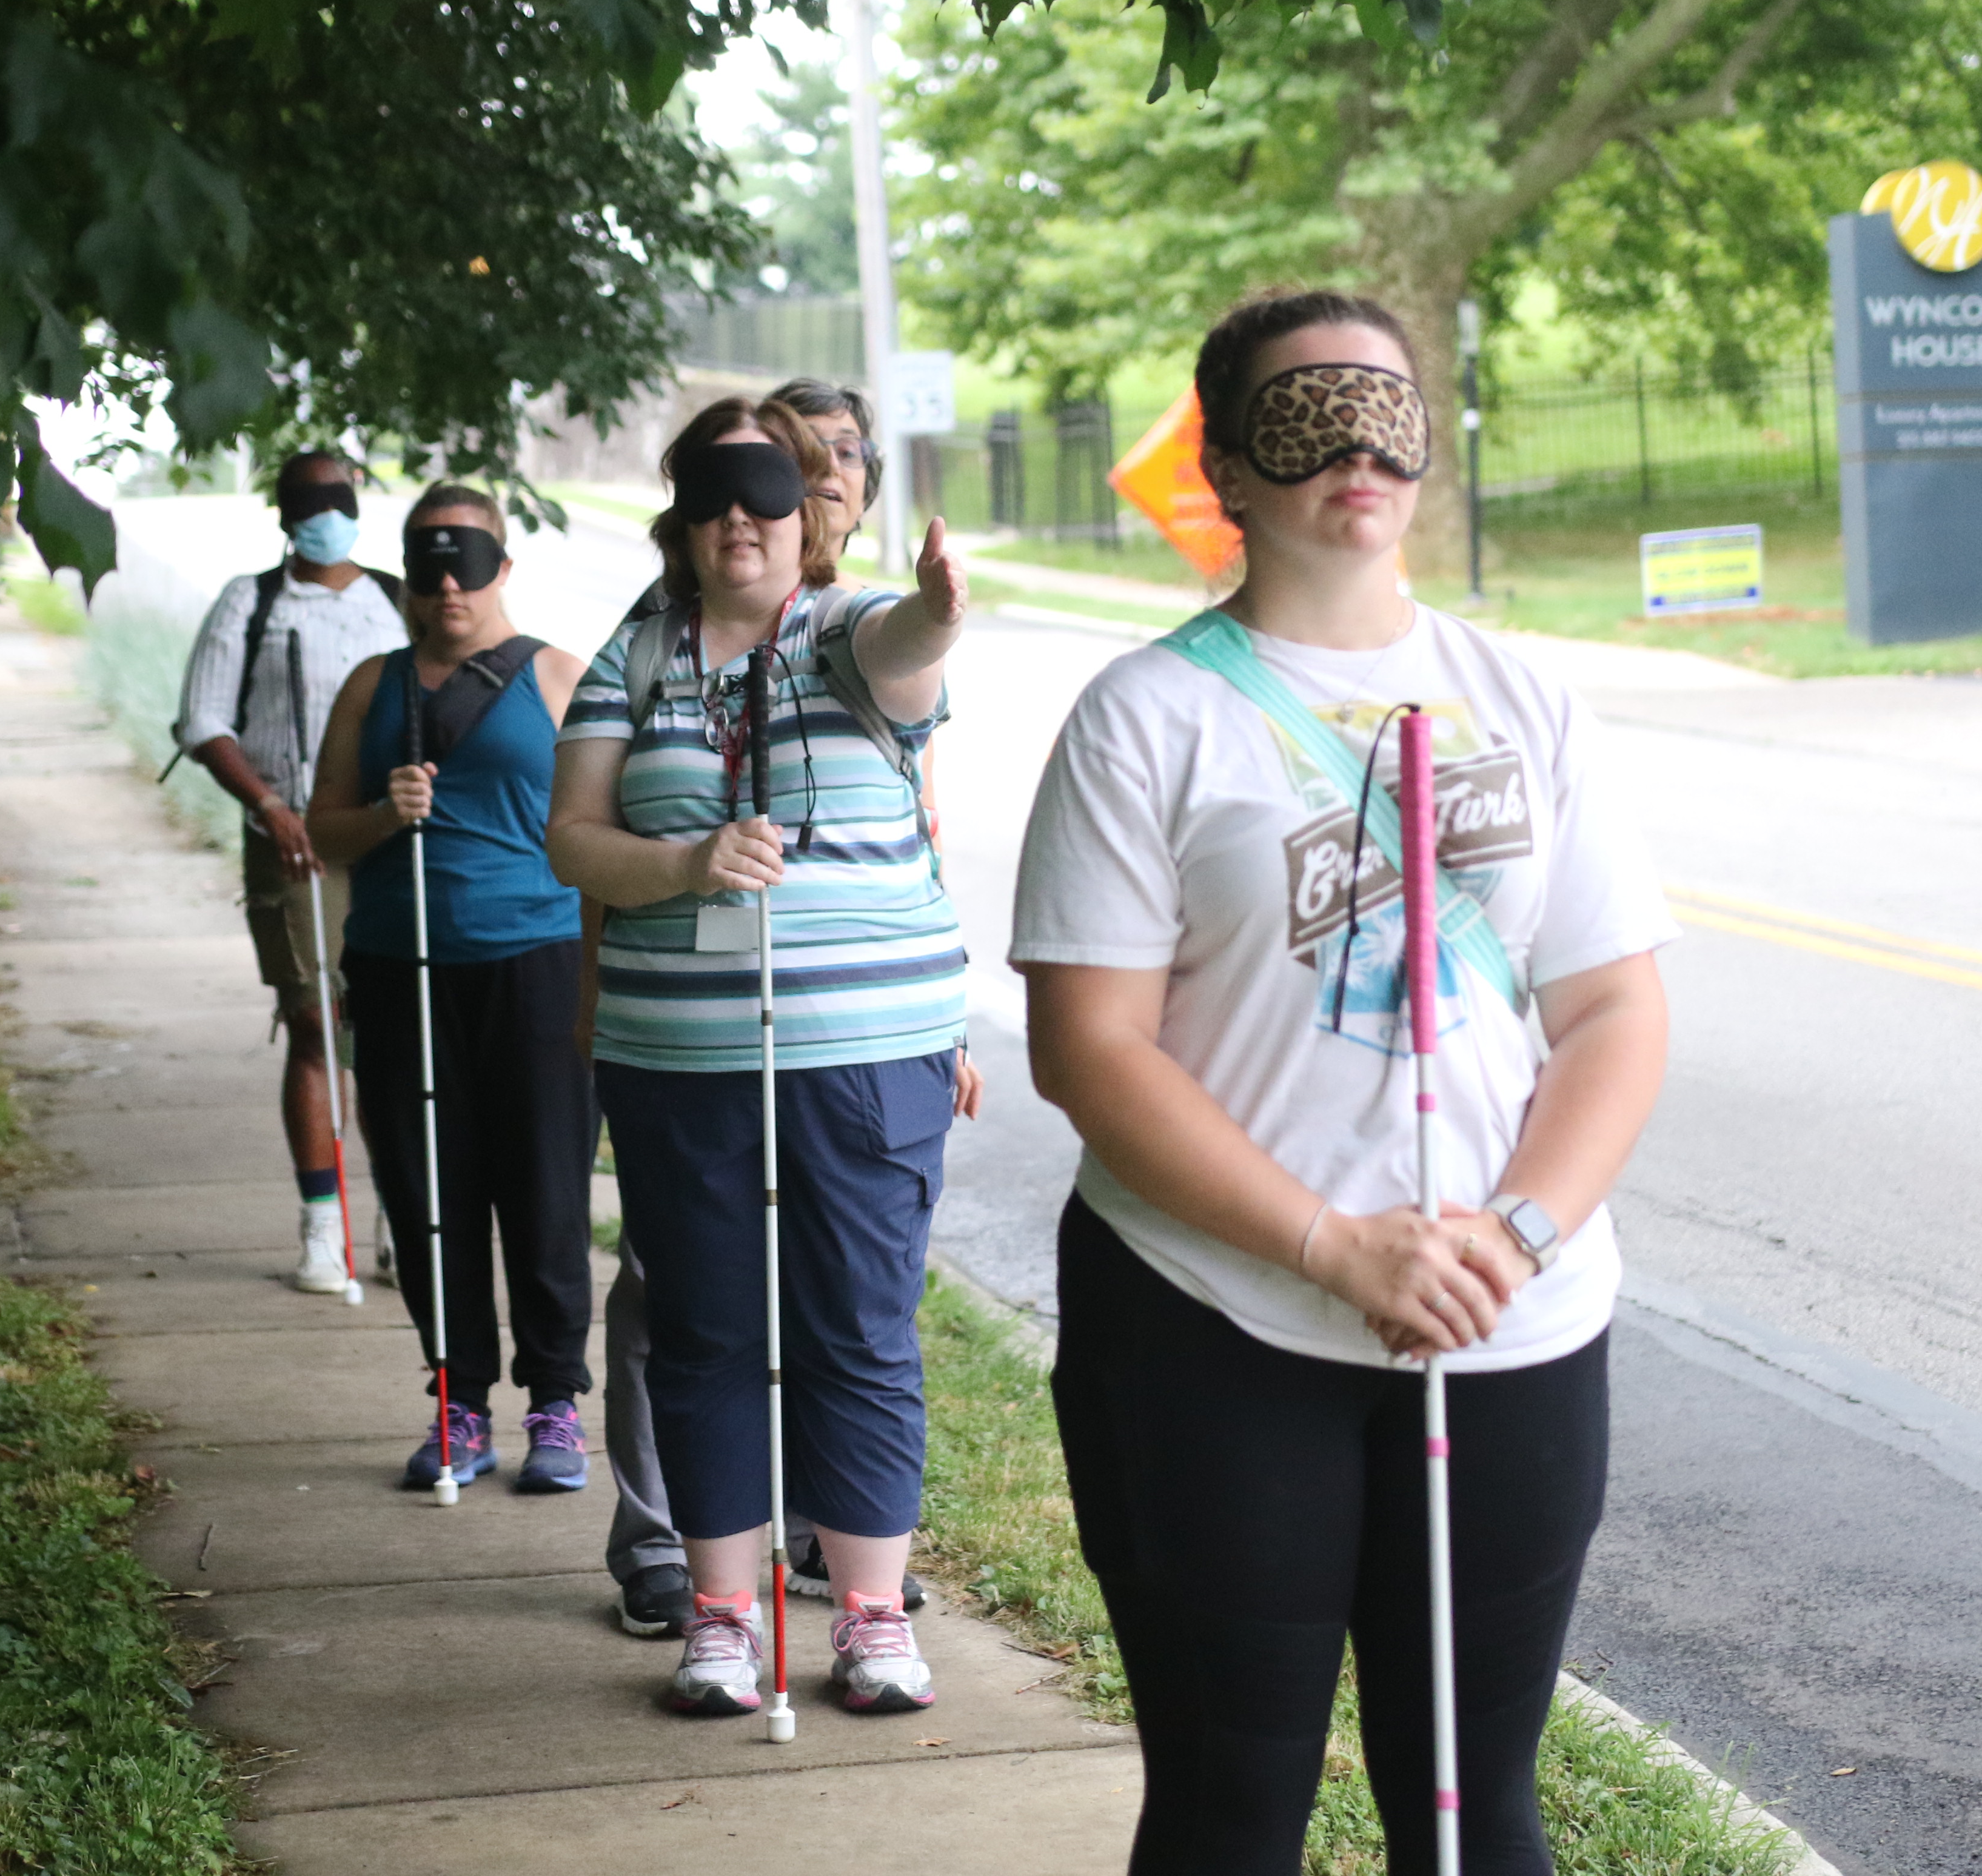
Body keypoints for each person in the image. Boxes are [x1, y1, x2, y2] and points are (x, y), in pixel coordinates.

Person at [1011, 290, 1676, 1876]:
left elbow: (1614, 1013)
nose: (1358, 448)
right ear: (1227, 468)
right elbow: (1089, 1049)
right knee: (1235, 1810)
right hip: (1214, 1324)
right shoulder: (1147, 720)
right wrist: (1330, 1242)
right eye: (1307, 418)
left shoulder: (1525, 702)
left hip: (1509, 1322)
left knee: (1469, 1807)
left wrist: (1509, 1239)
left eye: (1389, 411)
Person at [549, 395, 970, 1719]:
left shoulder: (847, 632)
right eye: (718, 494)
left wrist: (942, 609)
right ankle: (722, 1621)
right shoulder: (634, 654)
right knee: (710, 1332)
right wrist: (682, 863)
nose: (744, 517)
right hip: (684, 1059)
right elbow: (575, 837)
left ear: (807, 515)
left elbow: (909, 652)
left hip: (867, 1049)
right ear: (682, 515)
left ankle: (871, 1615)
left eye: (771, 492)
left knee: (858, 1327)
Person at [309, 488, 597, 1493]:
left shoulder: (559, 677)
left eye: (467, 563)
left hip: (537, 964)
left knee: (545, 1185)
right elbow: (321, 831)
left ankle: (556, 1400)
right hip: (403, 963)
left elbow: (610, 832)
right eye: (428, 566)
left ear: (502, 569)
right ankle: (457, 1398)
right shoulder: (371, 687)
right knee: (429, 1191)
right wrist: (387, 816)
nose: (447, 586)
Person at [172, 451, 414, 1295]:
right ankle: (322, 1227)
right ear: (283, 514)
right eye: (310, 500)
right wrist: (272, 808)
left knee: (390, 1027)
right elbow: (202, 721)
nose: (326, 512)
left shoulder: (397, 596)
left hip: (388, 839)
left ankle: (399, 1217)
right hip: (295, 843)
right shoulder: (254, 602)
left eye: (339, 497)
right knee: (315, 1024)